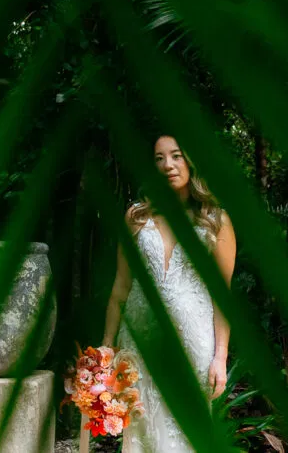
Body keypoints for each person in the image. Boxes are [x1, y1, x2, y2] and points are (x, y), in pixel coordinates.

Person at [101, 135, 237, 453]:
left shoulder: (216, 222)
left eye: (176, 156)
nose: (168, 165)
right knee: (141, 431)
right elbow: (121, 285)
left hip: (192, 343)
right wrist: (106, 347)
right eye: (159, 158)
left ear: (190, 161)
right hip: (139, 342)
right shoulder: (136, 218)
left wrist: (220, 357)